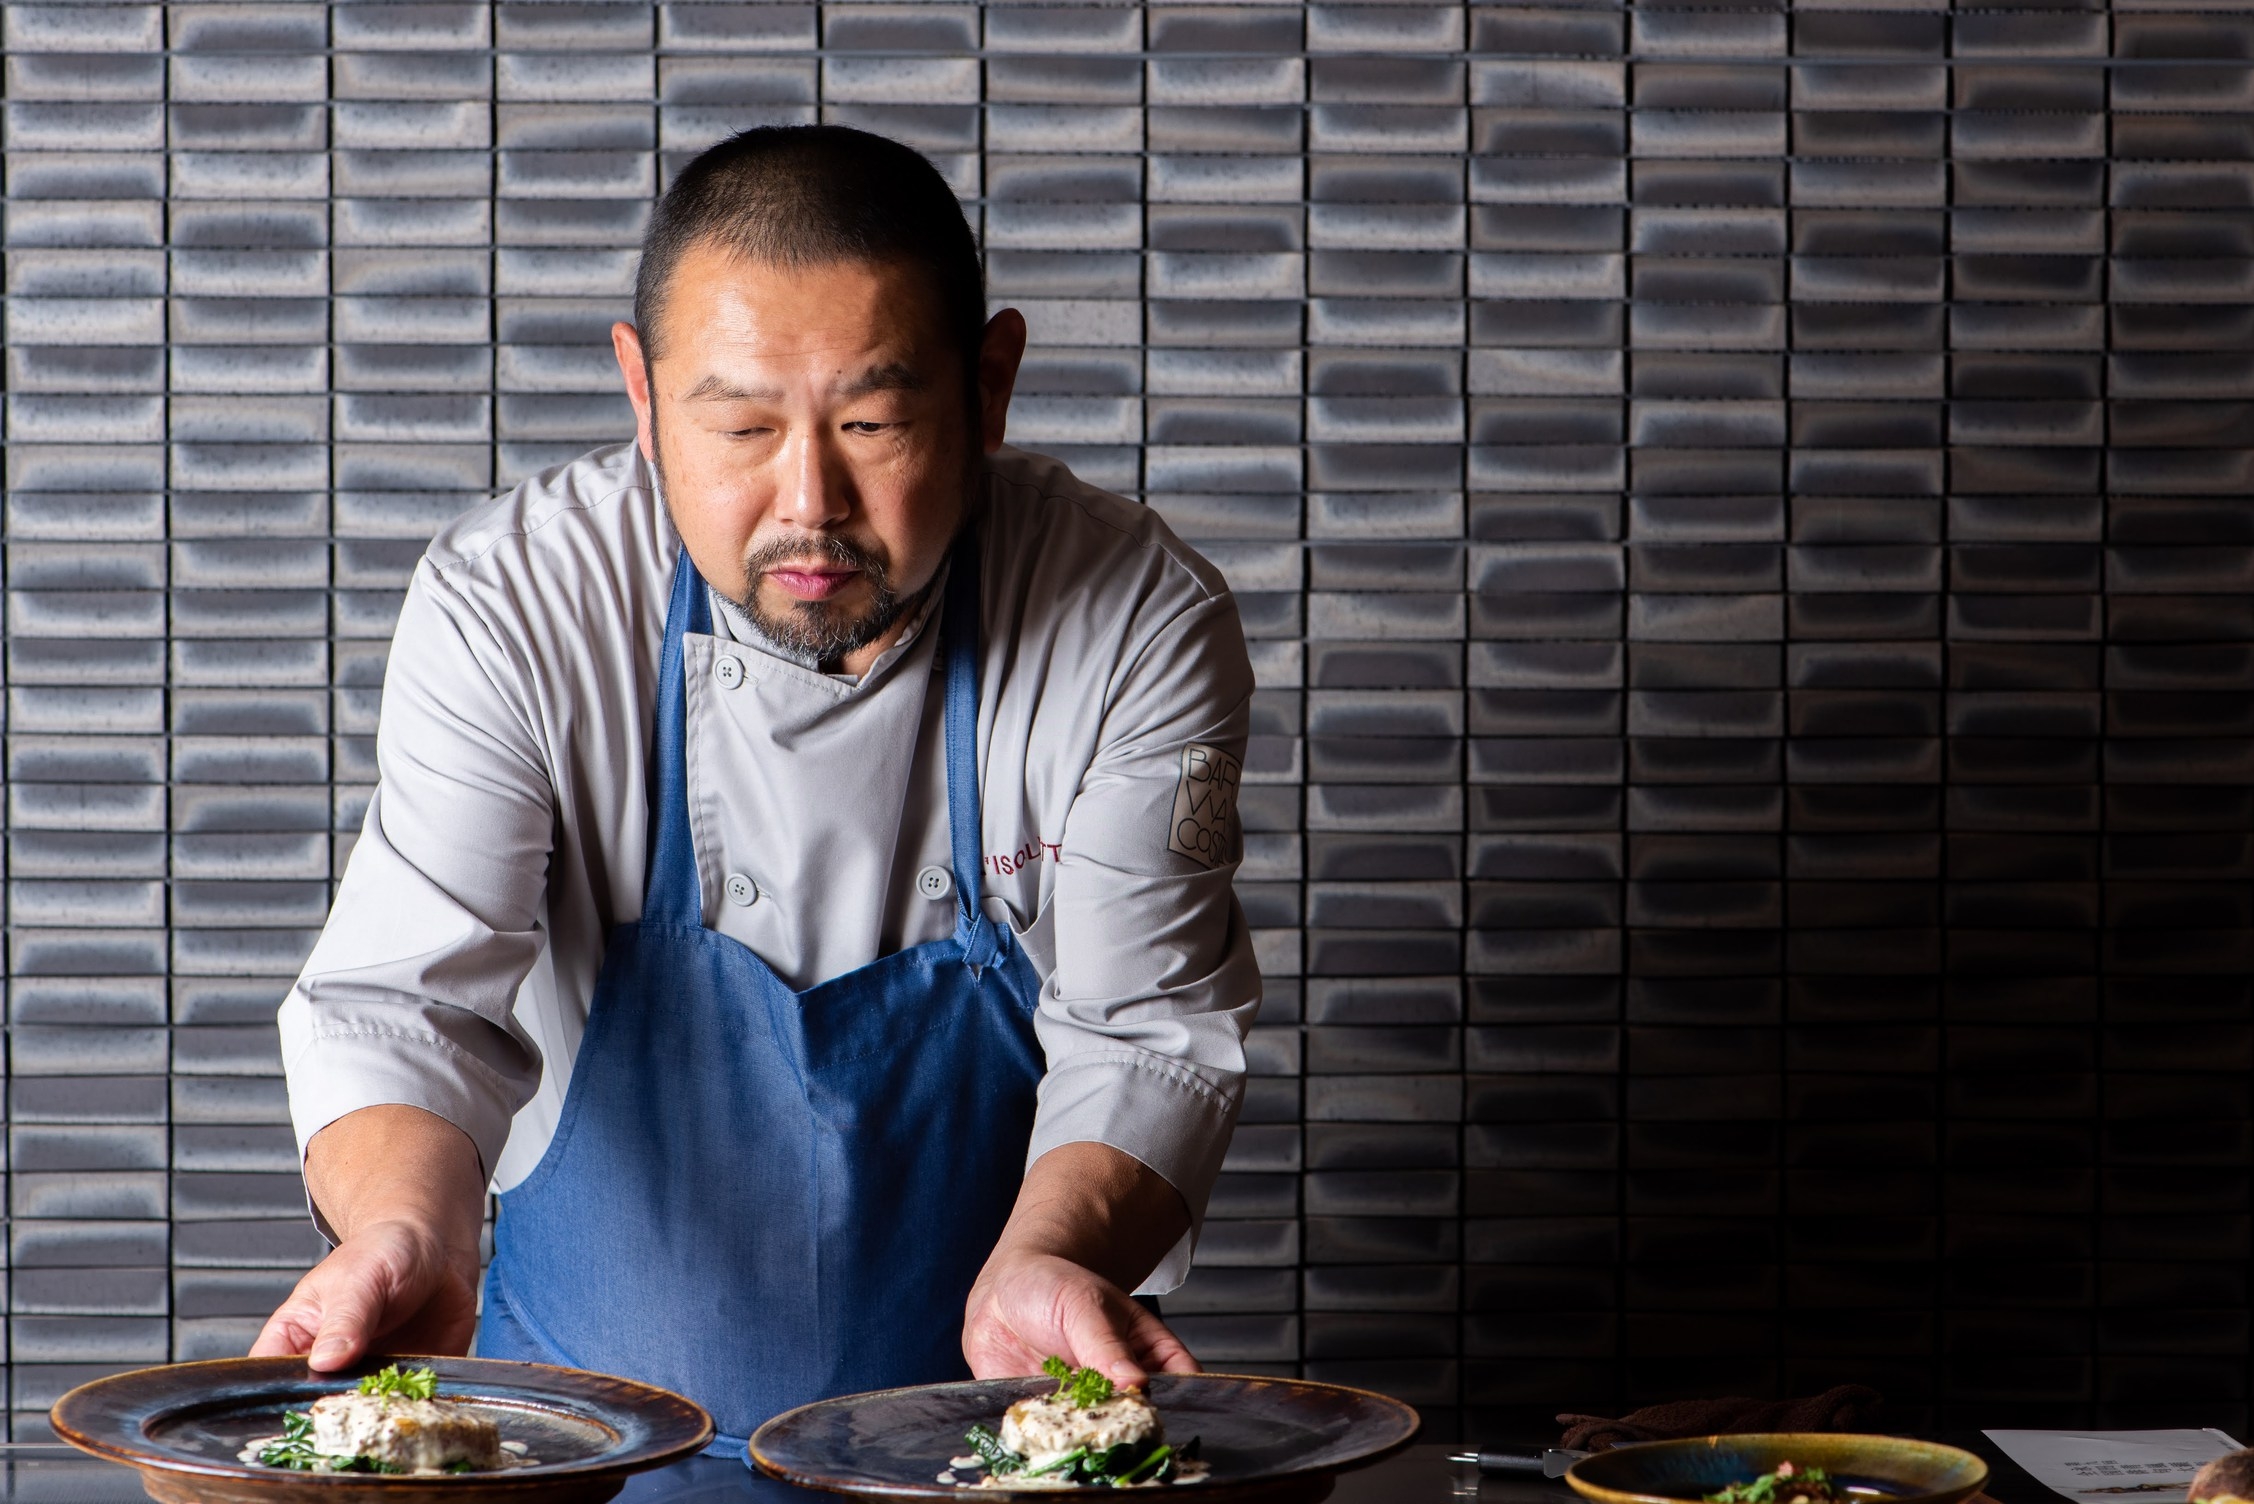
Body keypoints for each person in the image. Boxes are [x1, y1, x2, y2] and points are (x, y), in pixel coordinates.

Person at [251, 125, 1259, 1456]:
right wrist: (404, 1230)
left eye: (873, 424)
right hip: (576, 1463)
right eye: (737, 426)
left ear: (991, 383)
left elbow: (1145, 1033)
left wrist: (1055, 1256)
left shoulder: (1127, 618)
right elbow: (404, 1001)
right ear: (641, 390)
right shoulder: (518, 604)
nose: (808, 504)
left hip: (977, 1455)